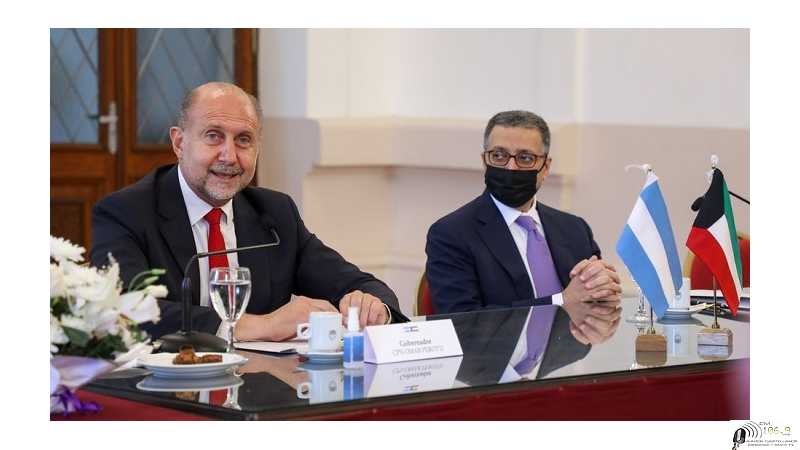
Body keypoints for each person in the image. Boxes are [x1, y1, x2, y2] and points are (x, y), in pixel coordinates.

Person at [91, 82, 405, 341]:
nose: (229, 156)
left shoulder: (274, 213)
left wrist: (371, 305)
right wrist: (260, 326)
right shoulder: (125, 212)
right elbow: (125, 310)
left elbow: (358, 284)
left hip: (259, 391)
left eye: (244, 140)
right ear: (179, 142)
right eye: (213, 136)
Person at [425, 110, 620, 344]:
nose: (511, 168)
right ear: (484, 161)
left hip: (564, 367)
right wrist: (559, 301)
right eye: (499, 156)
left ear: (545, 167)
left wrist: (604, 291)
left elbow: (595, 302)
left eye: (525, 158)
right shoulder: (451, 234)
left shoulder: (574, 229)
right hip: (489, 370)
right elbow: (463, 324)